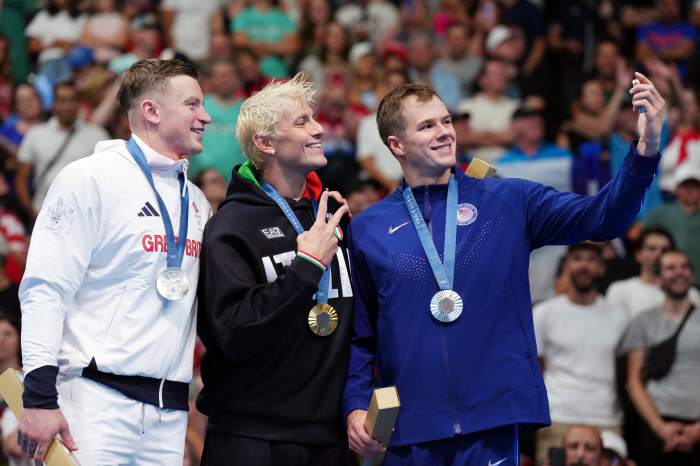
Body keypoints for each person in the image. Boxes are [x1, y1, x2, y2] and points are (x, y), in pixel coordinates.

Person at [343, 73, 665, 465]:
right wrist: (357, 404)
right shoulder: (368, 228)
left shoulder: (508, 200)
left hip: (492, 420)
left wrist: (645, 152)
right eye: (427, 126)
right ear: (396, 144)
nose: (445, 133)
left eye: (446, 121)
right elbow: (361, 334)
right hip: (410, 427)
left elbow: (603, 218)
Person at [16, 58, 212, 466]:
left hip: (169, 413)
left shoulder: (195, 200)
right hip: (94, 403)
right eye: (193, 104)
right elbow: (44, 288)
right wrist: (38, 396)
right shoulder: (88, 178)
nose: (205, 116)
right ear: (151, 111)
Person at [196, 73, 353, 466]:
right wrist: (306, 267)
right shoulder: (230, 225)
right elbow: (234, 331)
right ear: (265, 144)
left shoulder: (331, 215)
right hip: (253, 436)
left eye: (314, 118)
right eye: (301, 122)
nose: (318, 129)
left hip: (333, 436)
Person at [534, 243, 629, 466]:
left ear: (602, 268)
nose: (584, 265)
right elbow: (537, 368)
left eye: (591, 259)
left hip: (605, 417)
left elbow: (622, 370)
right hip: (557, 416)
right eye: (577, 259)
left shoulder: (619, 317)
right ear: (566, 266)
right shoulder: (543, 313)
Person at [622, 249, 700, 465]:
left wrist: (697, 431)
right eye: (670, 268)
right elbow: (634, 381)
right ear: (657, 278)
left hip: (697, 423)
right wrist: (659, 427)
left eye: (685, 266)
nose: (679, 272)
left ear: (692, 275)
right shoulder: (644, 322)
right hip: (654, 424)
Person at [15, 81, 109, 220]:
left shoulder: (98, 135)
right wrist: (31, 211)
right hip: (43, 214)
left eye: (72, 100)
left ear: (79, 103)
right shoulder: (36, 134)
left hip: (85, 217)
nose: (67, 106)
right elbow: (21, 178)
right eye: (62, 101)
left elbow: (108, 177)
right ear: (54, 104)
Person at [606, 226, 700, 319]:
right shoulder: (620, 291)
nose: (658, 254)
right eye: (651, 248)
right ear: (638, 254)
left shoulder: (691, 293)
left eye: (665, 250)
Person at [637, 163, 700, 288]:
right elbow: (634, 233)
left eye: (695, 186)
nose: (690, 190)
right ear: (677, 188)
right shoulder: (664, 211)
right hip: (667, 282)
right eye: (685, 185)